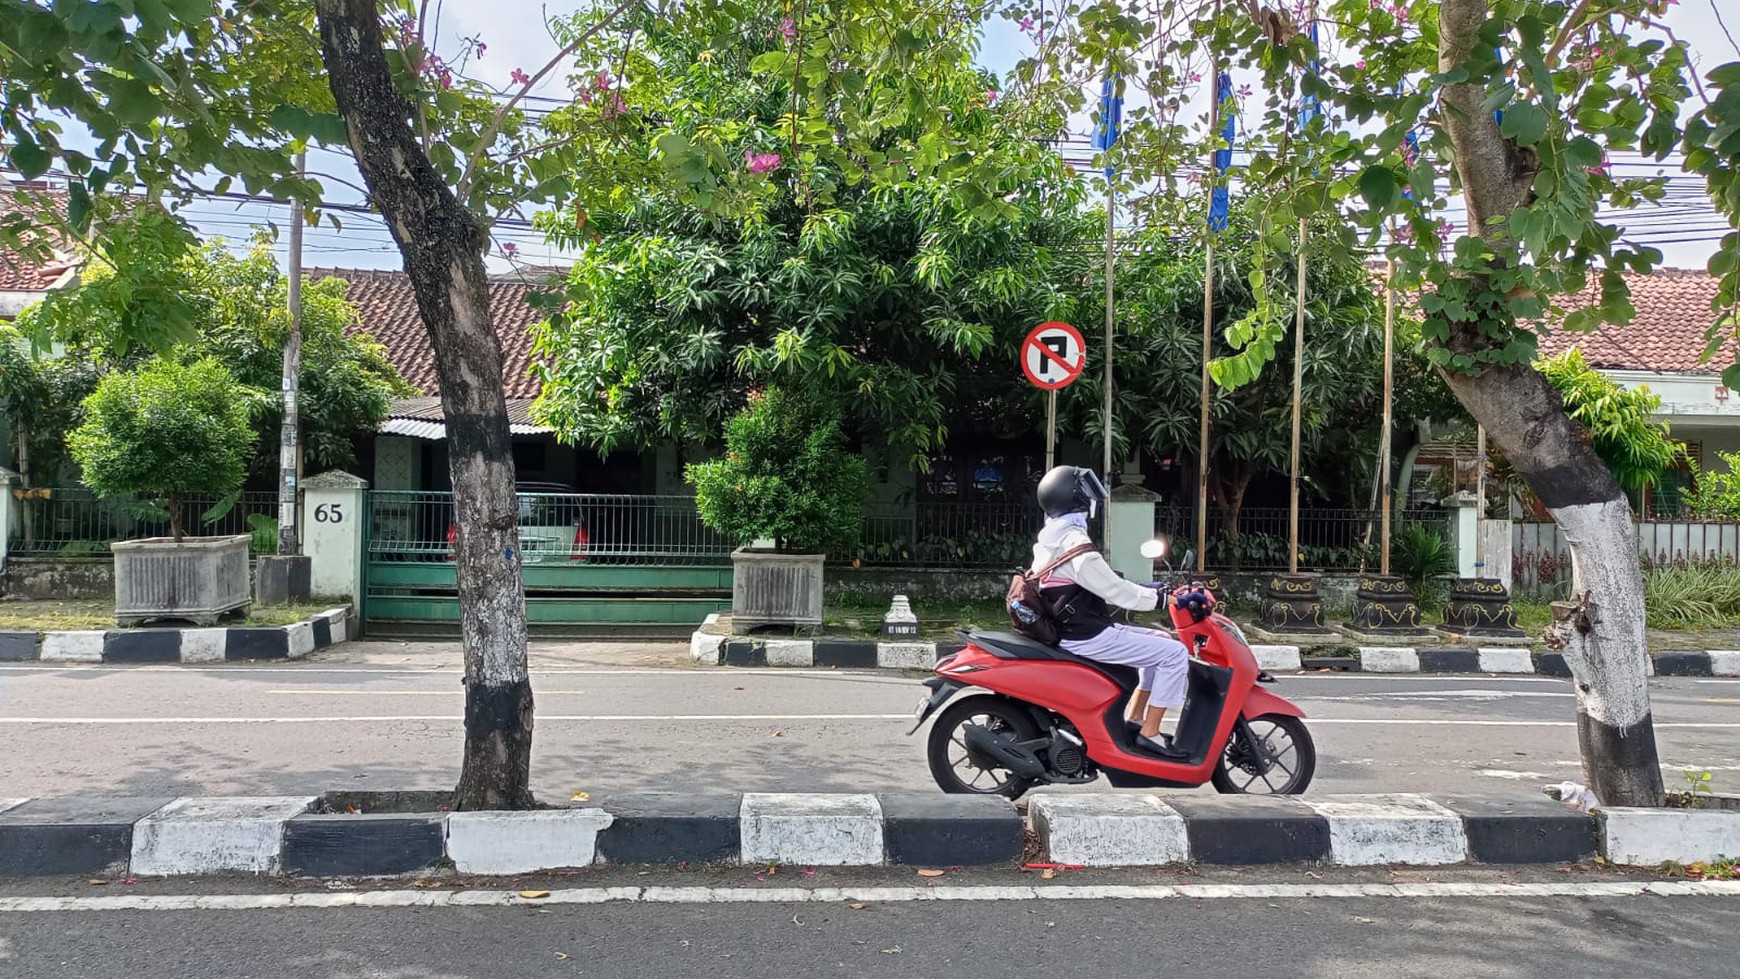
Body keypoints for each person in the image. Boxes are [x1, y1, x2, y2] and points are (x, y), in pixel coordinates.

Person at [1031, 465, 1192, 760]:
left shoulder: (1051, 538)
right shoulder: (1075, 544)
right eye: (1086, 492)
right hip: (1087, 634)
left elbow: (1103, 582)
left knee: (1159, 642)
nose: (1093, 500)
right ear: (1075, 499)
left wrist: (1152, 587)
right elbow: (1115, 591)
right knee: (1175, 653)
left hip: (1077, 628)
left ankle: (1135, 718)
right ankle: (1151, 733)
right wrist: (1159, 600)